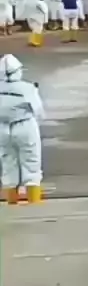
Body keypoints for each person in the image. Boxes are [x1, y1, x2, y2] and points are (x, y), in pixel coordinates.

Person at [0, 54, 45, 205]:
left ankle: (12, 203)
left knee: (8, 164)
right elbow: (39, 110)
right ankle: (34, 203)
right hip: (25, 125)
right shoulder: (27, 88)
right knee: (31, 162)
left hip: (2, 128)